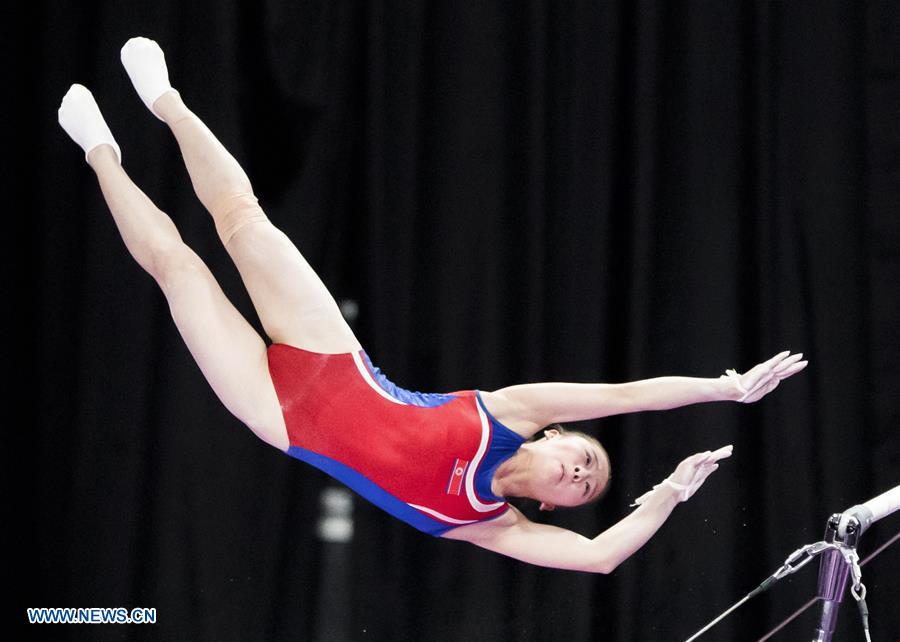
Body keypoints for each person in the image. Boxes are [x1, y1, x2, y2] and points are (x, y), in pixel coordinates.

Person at [57, 37, 808, 574]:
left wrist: (669, 493)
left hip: (277, 416)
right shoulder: (509, 411)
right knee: (243, 221)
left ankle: (99, 151)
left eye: (583, 488)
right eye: (585, 458)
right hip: (332, 357)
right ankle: (166, 101)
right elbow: (627, 396)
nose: (580, 474)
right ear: (556, 434)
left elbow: (600, 557)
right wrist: (724, 389)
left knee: (180, 271)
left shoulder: (488, 526)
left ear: (552, 506)